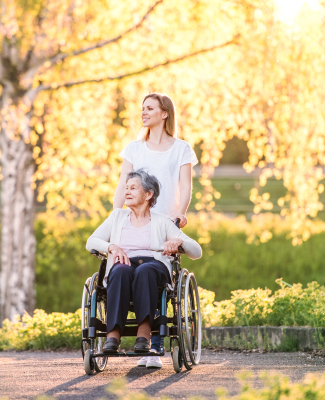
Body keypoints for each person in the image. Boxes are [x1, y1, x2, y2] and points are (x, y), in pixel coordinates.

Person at [113, 93, 198, 368]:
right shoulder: (134, 149)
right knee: (129, 270)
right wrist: (116, 218)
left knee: (152, 272)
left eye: (149, 108)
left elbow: (185, 186)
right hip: (136, 220)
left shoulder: (181, 148)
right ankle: (137, 338)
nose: (143, 113)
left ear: (165, 113)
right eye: (142, 109)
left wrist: (180, 214)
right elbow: (122, 185)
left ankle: (154, 342)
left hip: (164, 224)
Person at [86, 169, 201, 357]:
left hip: (154, 266)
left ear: (149, 194)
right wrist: (112, 247)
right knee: (121, 271)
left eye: (133, 188)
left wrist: (179, 242)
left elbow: (197, 251)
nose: (127, 192)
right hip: (124, 264)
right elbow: (91, 241)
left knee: (145, 270)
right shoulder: (117, 217)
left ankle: (144, 334)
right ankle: (113, 336)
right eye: (126, 188)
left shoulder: (163, 222)